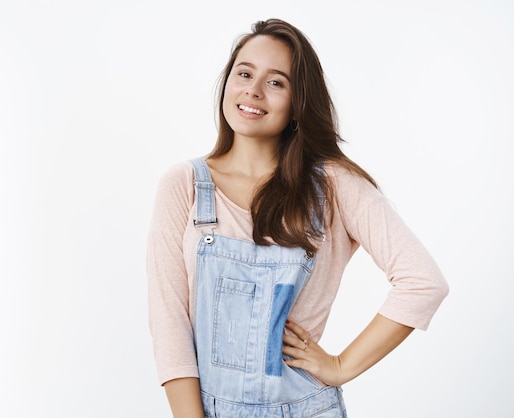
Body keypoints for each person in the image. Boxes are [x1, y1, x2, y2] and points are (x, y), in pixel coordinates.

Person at [146, 18, 448, 418]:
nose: (253, 90)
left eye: (276, 82)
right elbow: (169, 324)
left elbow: (423, 282)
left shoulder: (334, 187)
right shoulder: (184, 184)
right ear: (227, 83)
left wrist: (342, 366)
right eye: (244, 73)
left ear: (297, 103)